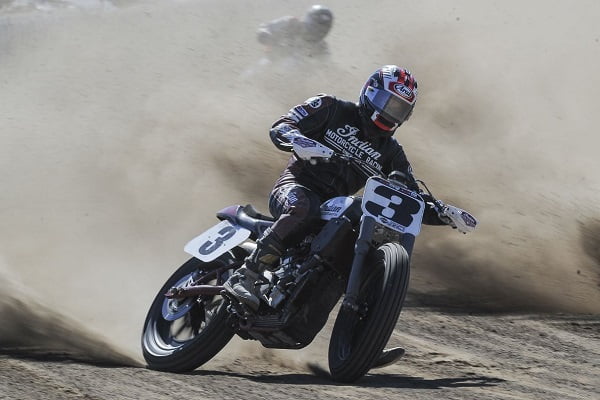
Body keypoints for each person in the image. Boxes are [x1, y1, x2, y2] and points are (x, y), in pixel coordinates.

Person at [224, 65, 453, 311]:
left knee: (351, 238)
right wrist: (299, 140)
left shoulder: (392, 152)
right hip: (294, 187)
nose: (391, 113)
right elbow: (282, 125)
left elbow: (410, 197)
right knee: (305, 208)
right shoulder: (330, 107)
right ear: (371, 92)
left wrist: (444, 213)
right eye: (388, 103)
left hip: (334, 209)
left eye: (400, 109)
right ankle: (246, 275)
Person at [256, 4, 333, 61]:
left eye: (323, 27)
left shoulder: (322, 47)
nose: (319, 29)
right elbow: (266, 28)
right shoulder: (291, 23)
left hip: (298, 74)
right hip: (271, 64)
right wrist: (266, 36)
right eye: (317, 25)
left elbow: (328, 66)